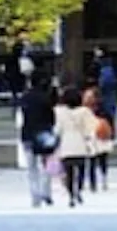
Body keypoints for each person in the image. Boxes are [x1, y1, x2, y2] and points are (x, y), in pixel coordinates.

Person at [18, 75, 56, 208]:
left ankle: (35, 195)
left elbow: (21, 116)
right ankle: (46, 190)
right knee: (49, 164)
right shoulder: (46, 99)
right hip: (44, 133)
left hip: (28, 134)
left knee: (32, 168)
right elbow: (52, 118)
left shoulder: (24, 98)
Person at [54, 87, 95, 207]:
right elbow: (90, 129)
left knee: (69, 172)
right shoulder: (85, 111)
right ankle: (79, 189)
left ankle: (71, 194)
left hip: (66, 145)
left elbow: (57, 129)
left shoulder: (59, 112)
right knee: (81, 170)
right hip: (80, 144)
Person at [84, 86, 114, 192]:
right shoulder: (104, 109)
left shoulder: (86, 110)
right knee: (101, 160)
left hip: (95, 136)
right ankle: (102, 180)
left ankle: (94, 184)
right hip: (101, 136)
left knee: (94, 160)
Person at [87, 48, 117, 124]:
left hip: (105, 105)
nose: (95, 60)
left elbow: (103, 87)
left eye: (97, 58)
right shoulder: (107, 70)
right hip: (106, 104)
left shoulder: (106, 71)